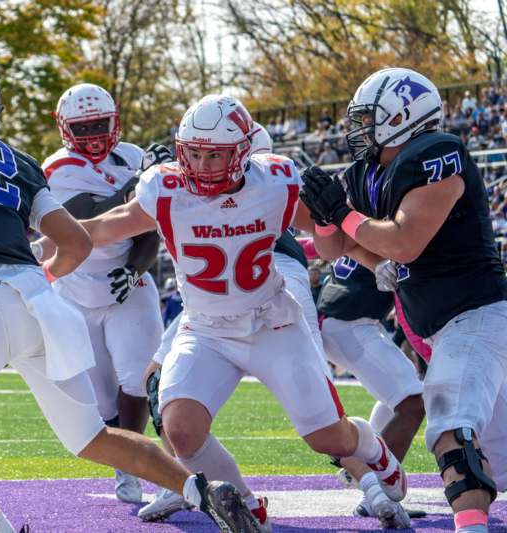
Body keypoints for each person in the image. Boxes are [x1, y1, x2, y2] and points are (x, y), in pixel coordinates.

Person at [0, 55, 259, 533]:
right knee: (93, 436)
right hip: (41, 306)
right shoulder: (21, 161)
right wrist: (36, 280)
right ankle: (205, 490)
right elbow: (76, 242)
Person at [81, 94, 407, 531]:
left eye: (214, 155)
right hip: (206, 329)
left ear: (242, 153)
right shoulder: (166, 188)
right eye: (193, 153)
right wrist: (44, 241)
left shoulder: (274, 181)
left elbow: (332, 248)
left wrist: (335, 225)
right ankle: (246, 506)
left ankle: (373, 449)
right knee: (180, 429)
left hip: (270, 322)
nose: (201, 164)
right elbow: (109, 224)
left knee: (326, 436)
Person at [301, 67, 507, 533]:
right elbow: (338, 249)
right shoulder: (365, 172)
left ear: (403, 115)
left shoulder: (438, 153)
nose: (357, 128)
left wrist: (346, 215)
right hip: (445, 323)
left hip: (477, 315)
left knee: (449, 421)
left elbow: (405, 241)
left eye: (368, 117)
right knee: (499, 455)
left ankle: (470, 526)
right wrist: (327, 217)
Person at [42, 83, 164, 502]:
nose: (93, 134)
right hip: (74, 288)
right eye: (84, 127)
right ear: (65, 129)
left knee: (137, 376)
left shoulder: (133, 156)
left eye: (100, 124)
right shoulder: (59, 167)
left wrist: (134, 269)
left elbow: (149, 228)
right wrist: (141, 182)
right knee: (97, 396)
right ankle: (124, 457)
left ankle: (130, 467)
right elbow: (87, 216)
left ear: (115, 122)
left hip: (128, 284)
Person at [317, 251, 425, 528]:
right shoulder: (394, 228)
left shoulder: (371, 224)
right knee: (412, 404)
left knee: (399, 398)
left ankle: (363, 465)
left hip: (344, 319)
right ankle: (377, 492)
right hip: (350, 323)